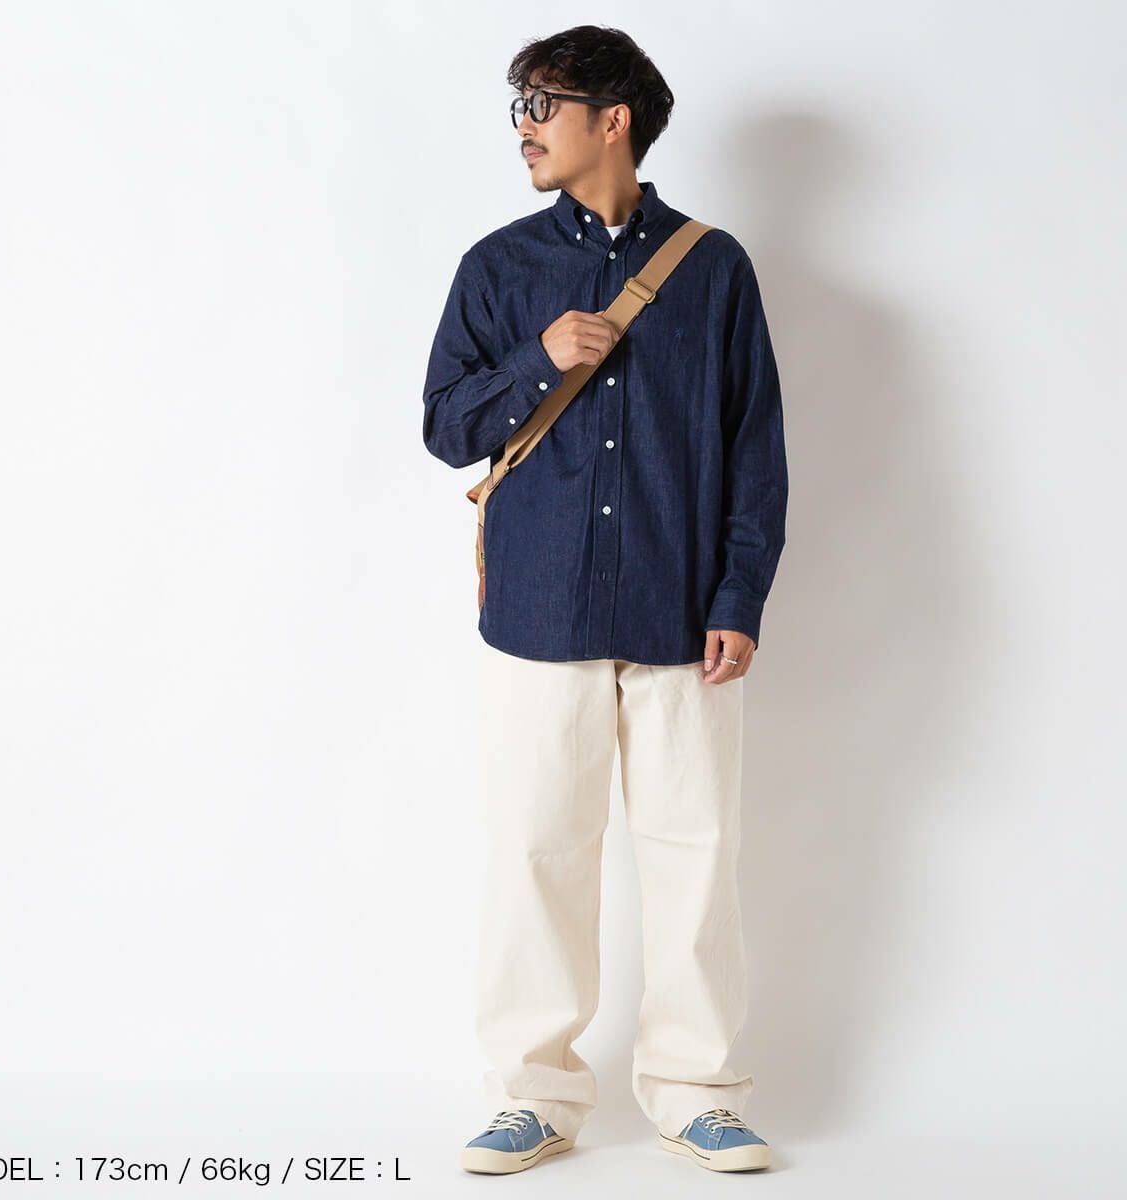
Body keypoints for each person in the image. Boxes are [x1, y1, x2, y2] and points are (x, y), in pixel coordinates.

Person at [421, 24, 788, 1176]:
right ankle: (532, 1096)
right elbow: (444, 427)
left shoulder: (713, 269)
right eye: (519, 106)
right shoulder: (499, 269)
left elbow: (755, 450)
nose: (523, 128)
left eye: (542, 104)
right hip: (541, 616)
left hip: (683, 618)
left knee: (697, 860)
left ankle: (696, 1091)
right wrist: (539, 358)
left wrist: (739, 594)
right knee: (538, 854)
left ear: (611, 119)